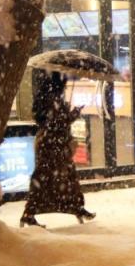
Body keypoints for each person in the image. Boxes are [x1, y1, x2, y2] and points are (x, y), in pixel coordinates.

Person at [20, 70, 95, 227]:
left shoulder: (46, 96)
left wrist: (68, 113)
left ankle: (75, 207)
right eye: (64, 83)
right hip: (52, 144)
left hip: (51, 143)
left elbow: (51, 120)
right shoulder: (52, 98)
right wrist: (72, 114)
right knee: (49, 177)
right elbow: (57, 122)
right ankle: (30, 213)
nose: (66, 86)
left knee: (61, 176)